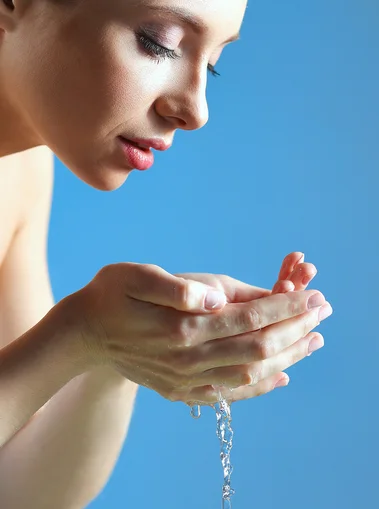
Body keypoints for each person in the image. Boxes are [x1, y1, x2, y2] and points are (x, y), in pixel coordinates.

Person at [0, 1, 333, 507]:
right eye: (160, 42)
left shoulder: (21, 171)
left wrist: (118, 353)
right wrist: (79, 334)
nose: (197, 110)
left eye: (214, 64)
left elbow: (17, 486)